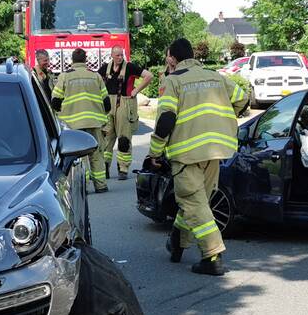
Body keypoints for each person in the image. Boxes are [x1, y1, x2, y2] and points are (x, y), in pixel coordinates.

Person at [147, 38, 249, 276]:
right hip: (215, 150)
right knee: (197, 201)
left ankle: (212, 256)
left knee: (193, 202)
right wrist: (222, 121)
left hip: (186, 153)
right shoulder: (216, 77)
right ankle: (177, 242)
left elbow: (166, 120)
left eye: (167, 57)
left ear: (172, 58)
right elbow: (242, 99)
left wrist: (155, 151)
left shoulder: (173, 81)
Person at [51, 48, 111, 193]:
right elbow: (107, 102)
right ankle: (101, 185)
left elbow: (55, 101)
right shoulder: (95, 76)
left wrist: (62, 114)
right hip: (94, 122)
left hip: (74, 124)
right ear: (86, 60)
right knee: (96, 154)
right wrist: (101, 116)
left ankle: (83, 186)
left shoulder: (65, 76)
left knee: (80, 156)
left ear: (72, 60)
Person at [98, 45, 152, 180]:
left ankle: (123, 169)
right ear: (112, 55)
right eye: (117, 55)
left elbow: (148, 76)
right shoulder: (105, 68)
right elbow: (96, 81)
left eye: (121, 55)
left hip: (124, 104)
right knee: (106, 138)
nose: (120, 57)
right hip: (108, 105)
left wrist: (136, 90)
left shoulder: (130, 67)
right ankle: (105, 167)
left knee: (124, 139)